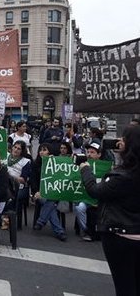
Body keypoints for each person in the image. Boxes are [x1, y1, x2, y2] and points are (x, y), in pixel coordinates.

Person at [79, 125, 140, 296]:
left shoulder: (123, 177)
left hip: (121, 235)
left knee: (125, 287)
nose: (119, 142)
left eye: (123, 139)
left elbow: (95, 191)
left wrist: (85, 170)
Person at [31, 144, 67, 241]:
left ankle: (41, 221)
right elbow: (33, 181)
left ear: (49, 152)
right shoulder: (35, 164)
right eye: (40, 150)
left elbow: (61, 179)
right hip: (41, 192)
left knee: (50, 201)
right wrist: (36, 192)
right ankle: (59, 231)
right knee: (48, 202)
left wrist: (52, 162)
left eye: (44, 150)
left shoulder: (56, 163)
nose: (41, 152)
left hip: (56, 192)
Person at [2, 140, 31, 230]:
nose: (16, 150)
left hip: (17, 185)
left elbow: (23, 180)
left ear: (22, 151)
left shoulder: (25, 161)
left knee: (10, 192)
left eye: (19, 149)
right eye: (15, 147)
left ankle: (5, 217)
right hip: (3, 182)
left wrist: (11, 176)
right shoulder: (5, 156)